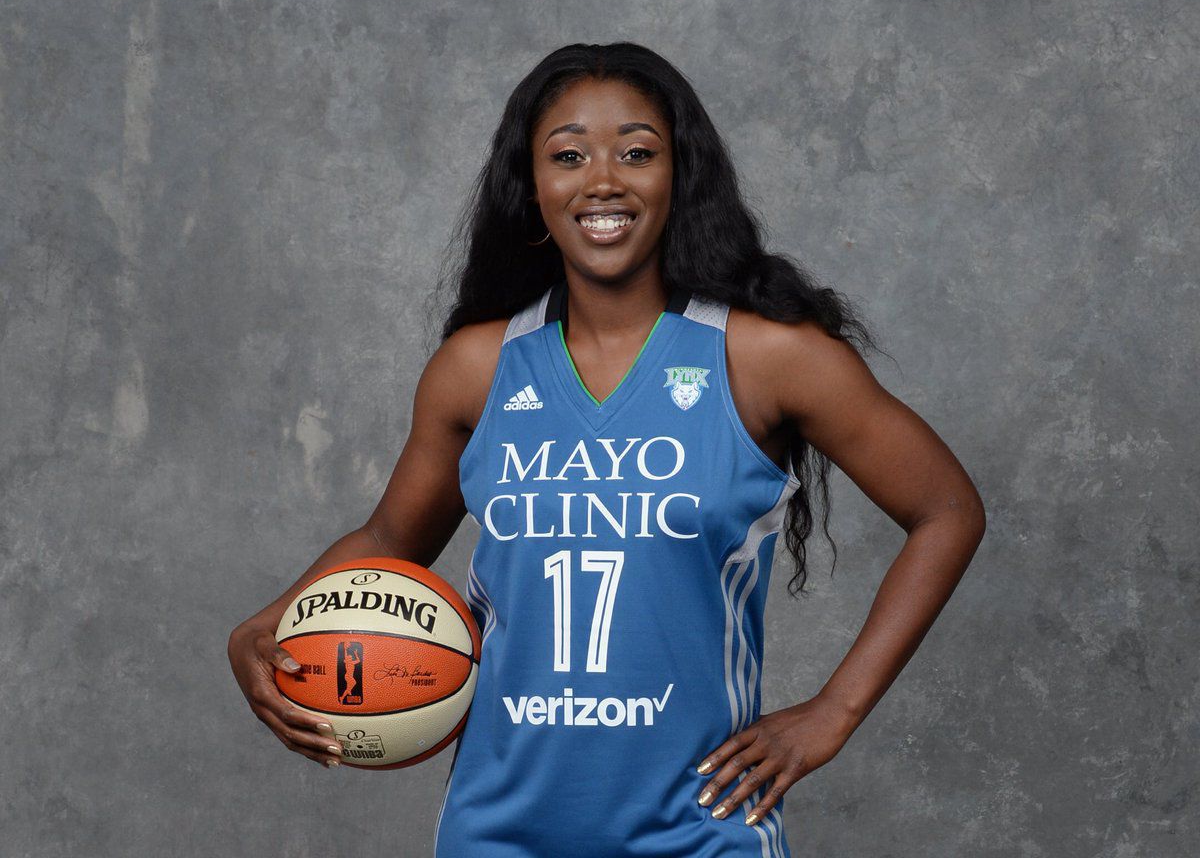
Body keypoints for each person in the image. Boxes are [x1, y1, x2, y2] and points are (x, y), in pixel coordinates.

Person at [228, 42, 986, 858]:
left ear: (679, 175)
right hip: (499, 833)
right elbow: (388, 540)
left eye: (636, 153)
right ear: (532, 185)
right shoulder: (477, 369)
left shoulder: (766, 358)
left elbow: (946, 511)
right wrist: (262, 628)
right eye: (568, 156)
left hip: (699, 832)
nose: (602, 181)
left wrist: (834, 712)